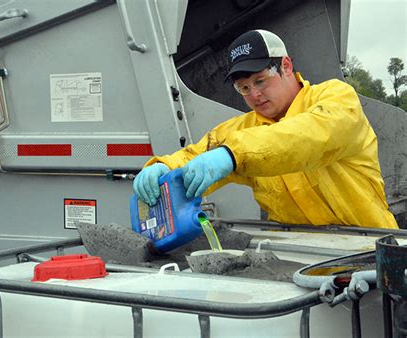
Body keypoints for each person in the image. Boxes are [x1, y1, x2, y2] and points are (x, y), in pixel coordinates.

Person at [133, 29, 398, 229]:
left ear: (285, 65)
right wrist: (162, 167)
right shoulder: (243, 129)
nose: (255, 94)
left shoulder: (336, 98)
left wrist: (234, 156)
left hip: (369, 253)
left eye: (260, 80)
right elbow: (194, 156)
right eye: (244, 88)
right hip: (305, 261)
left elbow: (308, 136)